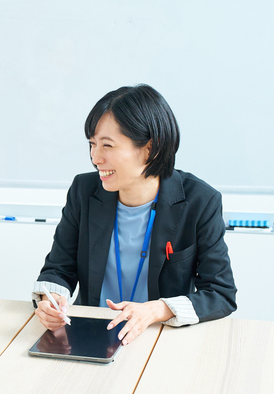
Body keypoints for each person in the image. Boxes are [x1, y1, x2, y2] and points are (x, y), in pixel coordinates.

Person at [33, 84, 236, 345]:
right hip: (90, 333)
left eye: (107, 145)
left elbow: (220, 294)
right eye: (92, 144)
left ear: (150, 148)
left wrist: (157, 309)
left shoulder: (200, 201)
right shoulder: (84, 191)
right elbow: (58, 269)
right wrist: (51, 300)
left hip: (158, 336)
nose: (95, 157)